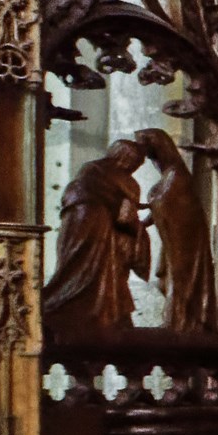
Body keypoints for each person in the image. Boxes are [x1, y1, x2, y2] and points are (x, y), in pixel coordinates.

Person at [43, 138, 150, 341]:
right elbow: (125, 217)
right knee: (89, 265)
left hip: (74, 219)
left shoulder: (90, 168)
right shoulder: (126, 182)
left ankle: (64, 305)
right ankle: (86, 310)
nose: (133, 167)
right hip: (95, 223)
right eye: (134, 162)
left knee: (75, 263)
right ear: (125, 158)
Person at [134, 129, 213, 335]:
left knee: (181, 278)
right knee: (168, 281)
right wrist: (143, 220)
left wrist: (149, 204)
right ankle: (177, 320)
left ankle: (183, 321)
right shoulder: (169, 174)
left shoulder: (176, 174)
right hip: (173, 237)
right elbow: (162, 205)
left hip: (185, 240)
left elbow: (168, 204)